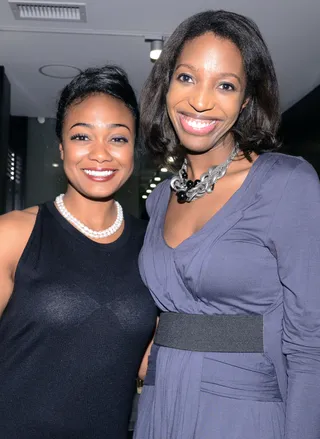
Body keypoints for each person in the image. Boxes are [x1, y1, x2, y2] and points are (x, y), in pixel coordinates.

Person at [134, 10, 320, 439]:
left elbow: (310, 344)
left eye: (225, 85)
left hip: (242, 415)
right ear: (165, 86)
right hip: (160, 405)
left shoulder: (286, 183)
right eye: (186, 78)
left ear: (247, 100)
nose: (201, 100)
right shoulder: (160, 199)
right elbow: (171, 308)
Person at [0, 65, 157, 438]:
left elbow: (156, 362)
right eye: (82, 136)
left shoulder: (152, 248)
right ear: (62, 147)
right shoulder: (14, 233)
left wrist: (254, 335)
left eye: (117, 139)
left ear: (133, 148)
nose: (100, 154)